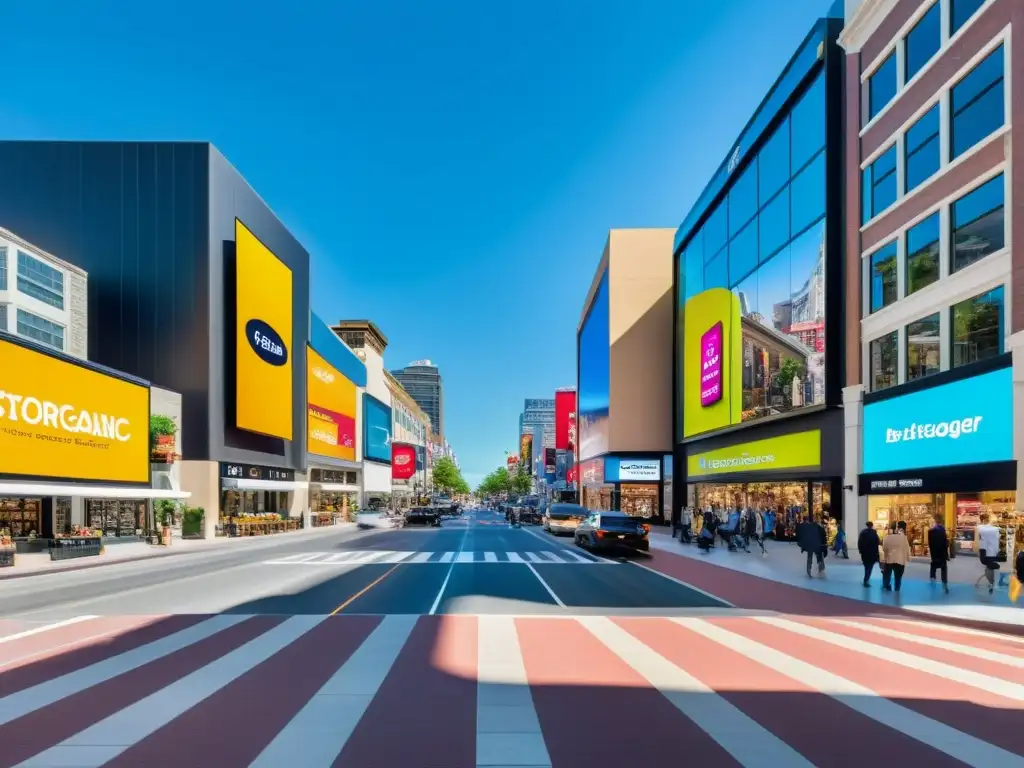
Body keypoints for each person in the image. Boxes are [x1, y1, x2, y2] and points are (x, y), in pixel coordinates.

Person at [882, 520, 911, 592]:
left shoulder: (887, 537)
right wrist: (908, 558)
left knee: (887, 574)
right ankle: (897, 588)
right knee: (898, 577)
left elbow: (884, 548)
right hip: (900, 559)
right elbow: (906, 549)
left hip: (889, 559)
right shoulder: (903, 538)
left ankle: (887, 585)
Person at [976, 513, 1001, 594]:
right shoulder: (995, 529)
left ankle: (992, 583)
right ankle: (994, 584)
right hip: (992, 553)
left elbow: (976, 543)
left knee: (990, 566)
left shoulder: (978, 528)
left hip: (983, 554)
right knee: (995, 566)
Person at [927, 513, 951, 594]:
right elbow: (946, 542)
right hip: (942, 553)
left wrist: (931, 553)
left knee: (933, 566)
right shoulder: (943, 529)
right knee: (943, 568)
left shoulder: (930, 531)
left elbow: (930, 544)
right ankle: (944, 584)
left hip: (934, 553)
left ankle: (932, 580)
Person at [857, 521, 881, 587]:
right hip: (872, 553)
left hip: (865, 553)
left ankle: (866, 579)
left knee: (866, 566)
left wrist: (860, 551)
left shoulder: (863, 533)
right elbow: (878, 542)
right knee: (870, 567)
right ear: (872, 525)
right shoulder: (874, 533)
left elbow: (859, 543)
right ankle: (866, 580)